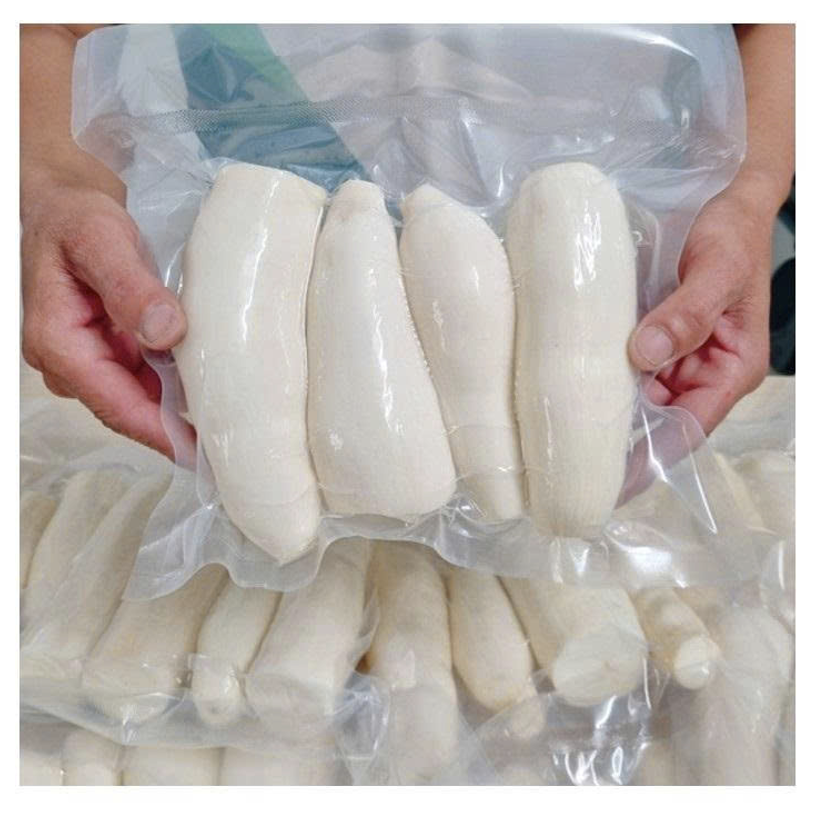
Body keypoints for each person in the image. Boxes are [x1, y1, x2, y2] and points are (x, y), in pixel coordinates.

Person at [20, 24, 795, 458]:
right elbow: (45, 21)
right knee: (262, 500)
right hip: (219, 287)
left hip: (633, 286)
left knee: (583, 505)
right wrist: (56, 186)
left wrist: (751, 189)